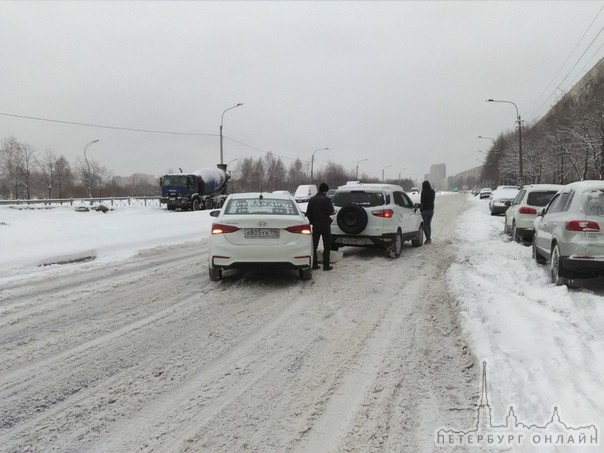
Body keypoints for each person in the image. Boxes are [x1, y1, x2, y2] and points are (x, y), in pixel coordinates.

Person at [306, 182, 335, 270]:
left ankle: (314, 264)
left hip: (315, 225)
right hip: (325, 225)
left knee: (314, 245)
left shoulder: (312, 199)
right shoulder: (326, 199)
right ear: (326, 190)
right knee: (327, 245)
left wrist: (312, 222)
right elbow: (330, 211)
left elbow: (308, 213)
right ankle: (326, 265)